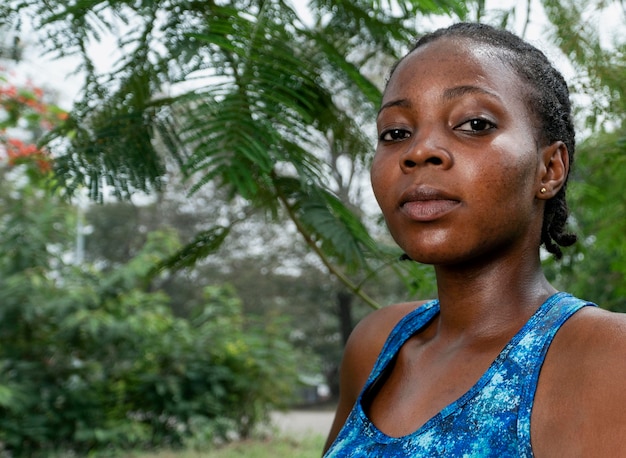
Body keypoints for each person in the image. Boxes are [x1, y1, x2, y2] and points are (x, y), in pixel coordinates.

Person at [323, 22, 626, 457]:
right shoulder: (375, 347)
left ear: (550, 169)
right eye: (395, 133)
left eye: (474, 123)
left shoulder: (610, 360)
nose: (418, 150)